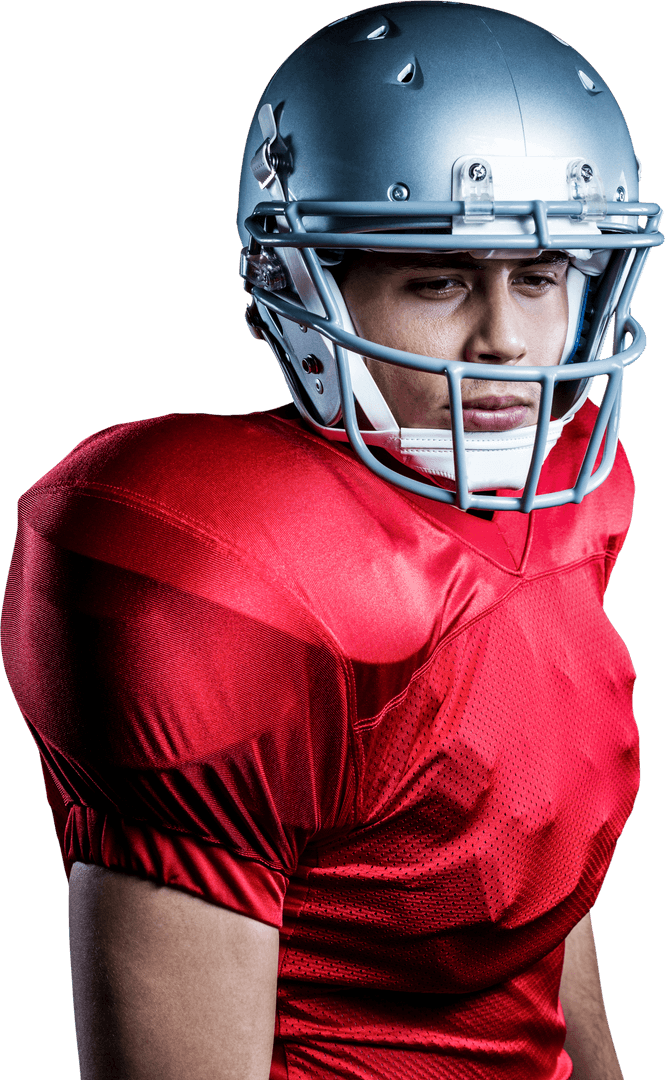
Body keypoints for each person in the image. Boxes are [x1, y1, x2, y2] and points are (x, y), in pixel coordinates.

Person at [1, 3, 662, 1078]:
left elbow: (528, 892)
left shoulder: (571, 489)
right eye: (438, 279)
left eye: (538, 276)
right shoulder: (230, 567)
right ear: (301, 288)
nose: (504, 340)